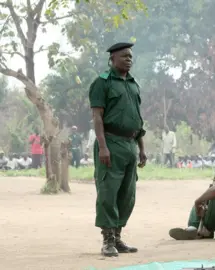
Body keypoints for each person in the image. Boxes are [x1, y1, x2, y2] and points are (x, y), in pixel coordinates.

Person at [89, 42, 147, 257]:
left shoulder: (133, 84)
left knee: (127, 194)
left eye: (131, 56)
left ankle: (118, 236)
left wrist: (141, 148)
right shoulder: (102, 83)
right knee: (108, 192)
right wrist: (103, 147)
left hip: (130, 144)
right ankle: (107, 240)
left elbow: (138, 119)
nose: (129, 59)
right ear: (112, 59)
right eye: (124, 56)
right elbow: (97, 117)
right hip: (111, 143)